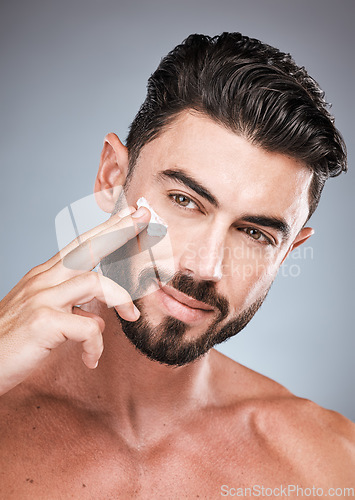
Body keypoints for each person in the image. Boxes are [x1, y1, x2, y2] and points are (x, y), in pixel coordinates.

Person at [0, 32, 354, 498]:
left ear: (287, 251)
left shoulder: (329, 464)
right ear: (112, 178)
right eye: (185, 201)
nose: (205, 266)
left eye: (254, 233)